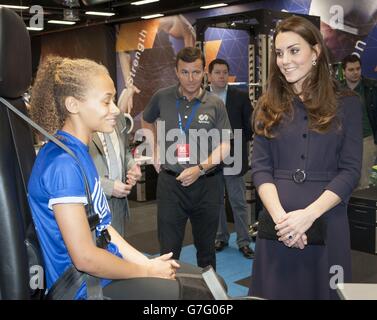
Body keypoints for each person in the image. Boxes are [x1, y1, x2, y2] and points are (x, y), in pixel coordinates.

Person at [27, 56, 180, 300]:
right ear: (73, 105)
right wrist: (145, 270)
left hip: (100, 277)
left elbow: (101, 227)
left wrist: (146, 262)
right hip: (84, 289)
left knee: (194, 283)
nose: (116, 109)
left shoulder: (76, 151)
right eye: (107, 101)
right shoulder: (63, 164)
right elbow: (85, 257)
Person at [249, 16, 362, 300]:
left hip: (328, 224)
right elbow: (260, 169)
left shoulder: (347, 103)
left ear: (316, 52)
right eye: (279, 53)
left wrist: (307, 217)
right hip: (278, 227)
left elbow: (350, 171)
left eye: (294, 50)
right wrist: (283, 222)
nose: (285, 60)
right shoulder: (267, 104)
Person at [142, 47, 232, 269]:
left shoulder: (215, 103)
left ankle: (210, 300)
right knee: (168, 252)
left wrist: (200, 168)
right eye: (185, 72)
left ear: (204, 73)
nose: (190, 79)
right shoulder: (162, 97)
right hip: (171, 185)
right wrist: (153, 149)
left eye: (196, 72)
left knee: (206, 251)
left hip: (207, 185)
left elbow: (225, 145)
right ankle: (168, 298)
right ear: (176, 71)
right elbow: (146, 120)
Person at [207, 58, 254, 259]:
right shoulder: (202, 97)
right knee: (215, 202)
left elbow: (250, 127)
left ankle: (244, 241)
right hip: (209, 159)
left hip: (234, 157)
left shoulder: (240, 97)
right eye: (217, 72)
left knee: (238, 201)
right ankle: (220, 237)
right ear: (209, 75)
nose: (221, 76)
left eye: (225, 72)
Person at [89, 101, 142, 238]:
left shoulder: (118, 119)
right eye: (106, 100)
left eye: (113, 98)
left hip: (119, 203)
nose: (116, 109)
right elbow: (75, 173)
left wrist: (131, 166)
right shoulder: (80, 127)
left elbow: (124, 151)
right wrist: (108, 186)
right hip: (92, 206)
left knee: (117, 252)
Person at [340, 54, 377, 189]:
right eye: (351, 70)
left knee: (363, 181)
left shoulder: (372, 87)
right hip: (342, 140)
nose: (355, 72)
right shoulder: (336, 90)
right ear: (344, 71)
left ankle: (361, 209)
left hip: (366, 139)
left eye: (358, 69)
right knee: (345, 178)